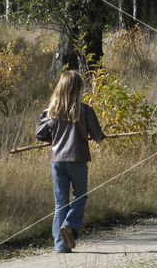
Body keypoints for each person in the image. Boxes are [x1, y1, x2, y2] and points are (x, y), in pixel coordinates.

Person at [36, 70, 105, 253]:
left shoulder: (50, 112)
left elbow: (39, 134)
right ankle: (69, 224)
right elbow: (98, 135)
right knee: (81, 196)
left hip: (57, 161)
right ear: (78, 89)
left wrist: (53, 139)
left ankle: (61, 246)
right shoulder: (84, 110)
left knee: (60, 202)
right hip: (78, 159)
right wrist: (97, 136)